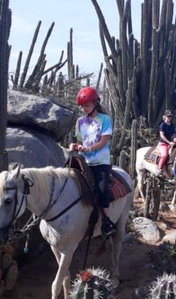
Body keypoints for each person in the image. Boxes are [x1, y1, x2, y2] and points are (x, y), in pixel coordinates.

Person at [69, 86, 116, 238]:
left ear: (95, 103)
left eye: (86, 105)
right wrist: (74, 145)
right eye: (81, 106)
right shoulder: (80, 121)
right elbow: (78, 140)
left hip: (100, 161)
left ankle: (106, 221)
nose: (83, 108)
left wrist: (87, 149)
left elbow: (103, 142)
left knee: (102, 191)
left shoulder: (105, 119)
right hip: (84, 161)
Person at [158, 110, 175, 180]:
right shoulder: (162, 125)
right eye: (168, 116)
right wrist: (169, 142)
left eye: (170, 116)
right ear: (164, 117)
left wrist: (174, 139)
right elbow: (162, 135)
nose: (169, 118)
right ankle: (160, 169)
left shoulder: (172, 125)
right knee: (164, 155)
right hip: (163, 144)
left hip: (171, 143)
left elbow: (173, 134)